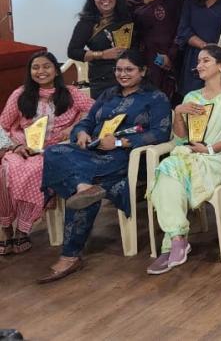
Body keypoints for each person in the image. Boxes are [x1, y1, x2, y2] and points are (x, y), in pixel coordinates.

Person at [38, 50, 171, 283]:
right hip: (92, 152)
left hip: (124, 157)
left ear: (142, 71)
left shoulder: (155, 98)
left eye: (129, 70)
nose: (123, 74)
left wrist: (119, 142)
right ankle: (83, 187)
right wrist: (81, 133)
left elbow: (160, 133)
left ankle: (70, 256)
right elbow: (87, 121)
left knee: (83, 177)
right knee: (53, 151)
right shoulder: (108, 94)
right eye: (119, 69)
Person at [146, 45, 221, 274]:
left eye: (206, 61)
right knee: (168, 168)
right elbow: (181, 137)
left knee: (168, 168)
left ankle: (173, 241)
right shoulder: (192, 97)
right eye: (199, 61)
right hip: (190, 155)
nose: (200, 65)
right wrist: (178, 112)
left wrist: (209, 149)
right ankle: (177, 238)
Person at [0, 52, 93, 256]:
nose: (41, 71)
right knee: (6, 169)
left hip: (51, 151)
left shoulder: (70, 93)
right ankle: (6, 229)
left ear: (56, 70)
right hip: (21, 147)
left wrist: (75, 127)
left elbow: (95, 111)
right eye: (36, 67)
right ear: (30, 71)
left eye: (46, 66)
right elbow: (2, 125)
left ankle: (22, 230)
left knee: (35, 170)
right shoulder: (20, 94)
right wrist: (15, 147)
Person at [128, 0, 185, 101]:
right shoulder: (134, 1)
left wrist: (171, 55)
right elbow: (130, 32)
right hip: (144, 59)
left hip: (170, 57)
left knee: (167, 99)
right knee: (145, 100)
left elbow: (182, 28)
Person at [67, 0, 133, 98]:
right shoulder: (87, 23)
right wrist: (101, 54)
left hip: (131, 77)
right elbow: (73, 51)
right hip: (102, 81)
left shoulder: (128, 18)